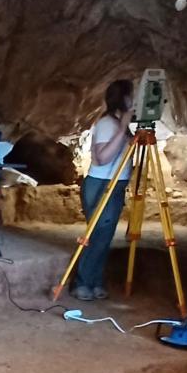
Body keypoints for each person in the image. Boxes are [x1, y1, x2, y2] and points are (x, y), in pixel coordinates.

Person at [72, 79, 135, 302]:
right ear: (123, 98)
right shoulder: (108, 124)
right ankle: (82, 282)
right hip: (102, 183)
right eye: (131, 95)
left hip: (113, 183)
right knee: (98, 235)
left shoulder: (118, 124)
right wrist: (122, 129)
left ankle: (94, 280)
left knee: (104, 236)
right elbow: (102, 159)